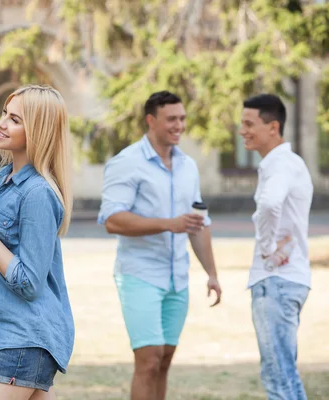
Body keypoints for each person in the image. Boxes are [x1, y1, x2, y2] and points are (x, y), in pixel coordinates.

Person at [98, 91, 222, 400]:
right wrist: (168, 223)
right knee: (149, 360)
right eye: (172, 119)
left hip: (177, 278)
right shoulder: (126, 163)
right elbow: (112, 220)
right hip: (140, 275)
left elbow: (197, 224)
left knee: (164, 361)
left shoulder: (188, 166)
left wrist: (212, 274)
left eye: (182, 118)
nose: (179, 125)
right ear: (151, 120)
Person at [0, 85, 74, 399]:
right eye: (4, 115)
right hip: (4, 338)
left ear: (37, 130)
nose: (1, 123)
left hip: (23, 340)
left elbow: (28, 282)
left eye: (14, 119)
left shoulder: (38, 193)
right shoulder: (0, 180)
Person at [240, 94, 313, 400]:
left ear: (273, 127)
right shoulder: (286, 163)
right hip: (285, 281)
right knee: (284, 374)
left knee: (278, 378)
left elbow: (270, 203)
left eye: (249, 124)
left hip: (276, 282)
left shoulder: (281, 164)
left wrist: (267, 246)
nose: (242, 130)